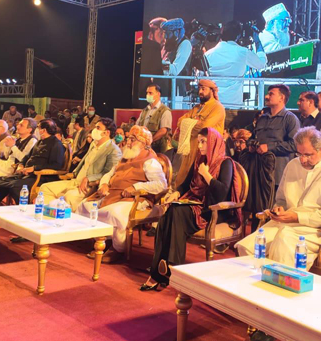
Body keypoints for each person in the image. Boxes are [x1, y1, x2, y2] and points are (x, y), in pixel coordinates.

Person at [237, 127, 321, 341]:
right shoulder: (292, 165)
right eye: (299, 153)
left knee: (284, 243)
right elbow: (281, 199)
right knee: (247, 247)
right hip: (285, 222)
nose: (302, 159)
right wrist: (278, 210)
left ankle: (274, 319)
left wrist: (297, 216)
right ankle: (257, 304)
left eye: (308, 155)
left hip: (315, 230)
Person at [140, 127, 241, 290]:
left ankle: (172, 268)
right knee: (169, 211)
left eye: (203, 142)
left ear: (213, 143)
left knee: (177, 213)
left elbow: (222, 193)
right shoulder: (199, 160)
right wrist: (176, 193)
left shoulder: (226, 162)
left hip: (213, 210)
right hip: (194, 205)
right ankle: (159, 269)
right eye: (199, 141)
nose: (199, 146)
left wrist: (207, 176)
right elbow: (186, 183)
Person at [75, 126, 167, 263]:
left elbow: (161, 185)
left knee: (114, 214)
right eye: (128, 138)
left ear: (143, 143)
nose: (128, 142)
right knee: (84, 206)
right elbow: (109, 174)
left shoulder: (151, 161)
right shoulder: (125, 157)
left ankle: (117, 249)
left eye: (133, 139)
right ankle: (103, 241)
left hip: (135, 198)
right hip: (113, 194)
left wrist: (136, 187)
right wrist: (104, 184)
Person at [39, 118, 122, 210]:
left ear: (107, 133)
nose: (94, 130)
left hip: (90, 185)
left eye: (98, 128)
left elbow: (108, 173)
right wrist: (74, 172)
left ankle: (66, 219)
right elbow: (84, 162)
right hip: (76, 180)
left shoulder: (113, 150)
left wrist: (88, 179)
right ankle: (50, 216)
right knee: (45, 188)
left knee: (70, 196)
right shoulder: (94, 144)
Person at [0, 119, 65, 206]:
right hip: (26, 174)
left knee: (15, 186)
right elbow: (27, 156)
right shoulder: (39, 142)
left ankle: (23, 210)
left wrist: (34, 168)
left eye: (38, 128)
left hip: (40, 177)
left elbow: (56, 165)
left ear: (44, 130)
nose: (37, 130)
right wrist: (21, 165)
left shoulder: (56, 144)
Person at [173, 79, 226, 188]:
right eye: (199, 89)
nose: (200, 92)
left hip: (206, 153)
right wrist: (193, 122)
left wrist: (189, 123)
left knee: (199, 184)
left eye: (203, 89)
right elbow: (180, 122)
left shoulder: (218, 108)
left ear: (212, 91)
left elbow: (204, 127)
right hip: (190, 151)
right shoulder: (196, 108)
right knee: (181, 182)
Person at [205, 21, 268, 108]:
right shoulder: (242, 52)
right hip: (233, 105)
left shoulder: (208, 54)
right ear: (238, 36)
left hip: (213, 105)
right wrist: (257, 42)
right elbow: (261, 64)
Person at [255, 85, 300, 186]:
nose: (267, 96)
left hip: (278, 174)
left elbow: (294, 144)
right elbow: (255, 137)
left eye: (271, 94)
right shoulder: (262, 118)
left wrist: (269, 147)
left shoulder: (290, 119)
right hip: (259, 172)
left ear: (282, 98)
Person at [235, 128, 276, 231]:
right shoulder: (245, 155)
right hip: (247, 191)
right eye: (236, 141)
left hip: (261, 193)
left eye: (241, 142)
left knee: (259, 219)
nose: (237, 145)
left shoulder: (268, 157)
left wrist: (262, 152)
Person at [136, 84, 172, 154]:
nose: (147, 95)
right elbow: (137, 126)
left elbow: (163, 131)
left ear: (158, 94)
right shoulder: (145, 110)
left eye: (150, 93)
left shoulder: (165, 111)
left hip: (158, 150)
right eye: (147, 93)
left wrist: (149, 141)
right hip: (143, 149)